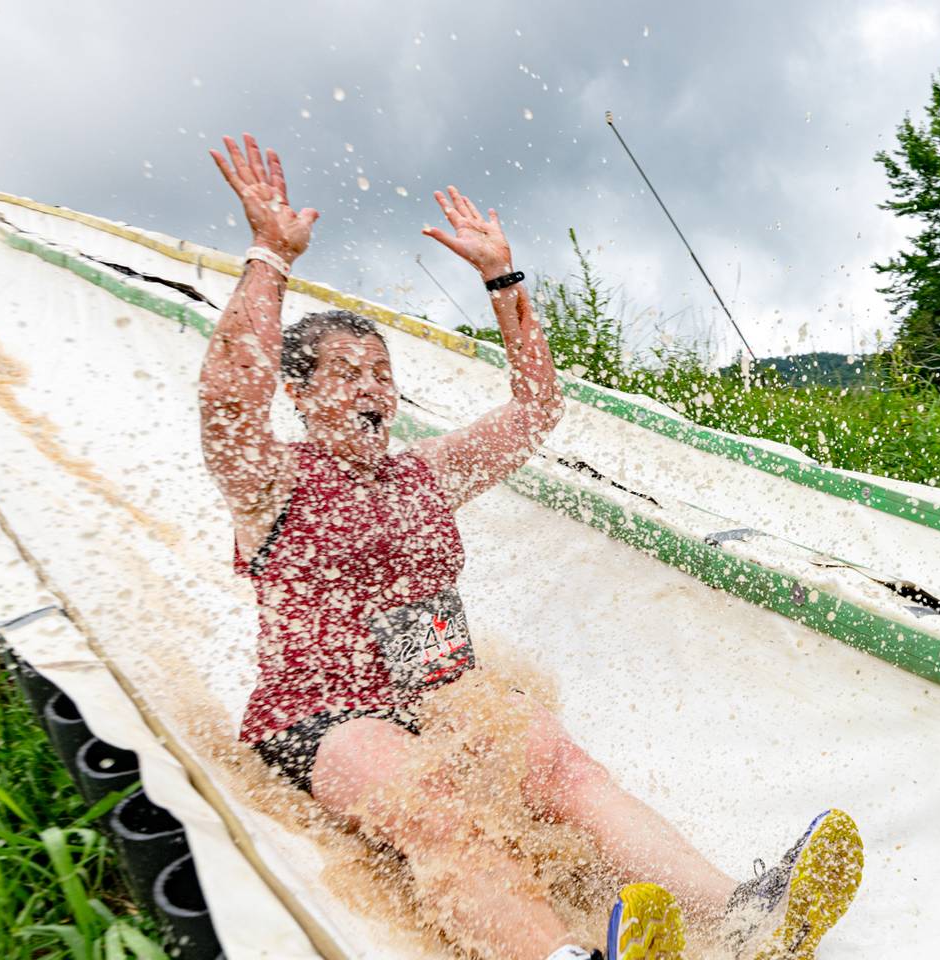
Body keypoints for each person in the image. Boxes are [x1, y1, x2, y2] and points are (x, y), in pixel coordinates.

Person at [198, 133, 862, 960]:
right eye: (347, 374)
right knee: (429, 797)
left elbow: (535, 410)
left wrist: (503, 281)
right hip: (324, 716)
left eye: (382, 372)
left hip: (438, 688)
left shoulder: (423, 474)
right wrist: (269, 254)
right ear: (299, 394)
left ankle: (746, 913)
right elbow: (227, 395)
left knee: (554, 760)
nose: (373, 389)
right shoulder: (272, 481)